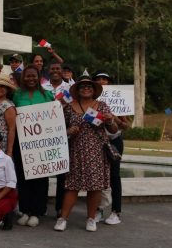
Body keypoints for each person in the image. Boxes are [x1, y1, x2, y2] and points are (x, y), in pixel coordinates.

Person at [55, 74, 118, 232]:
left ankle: (91, 219)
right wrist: (69, 130)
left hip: (97, 151)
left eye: (89, 87)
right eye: (82, 87)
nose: (86, 89)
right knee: (71, 186)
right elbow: (58, 129)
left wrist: (110, 121)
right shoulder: (69, 107)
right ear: (77, 90)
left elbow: (114, 130)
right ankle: (63, 218)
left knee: (95, 187)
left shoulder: (102, 106)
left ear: (94, 90)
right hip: (76, 150)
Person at [12, 65, 55, 227]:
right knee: (23, 177)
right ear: (23, 78)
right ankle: (25, 210)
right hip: (22, 143)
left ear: (39, 77)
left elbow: (55, 116)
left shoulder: (47, 95)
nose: (31, 79)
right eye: (28, 76)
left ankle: (37, 212)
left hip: (42, 144)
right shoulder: (17, 95)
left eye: (34, 76)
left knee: (40, 178)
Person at [93, 70, 130, 225]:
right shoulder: (91, 100)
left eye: (105, 79)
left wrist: (113, 117)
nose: (102, 81)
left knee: (114, 176)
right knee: (97, 176)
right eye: (99, 79)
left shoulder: (117, 100)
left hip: (114, 141)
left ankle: (116, 211)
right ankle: (98, 209)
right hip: (96, 141)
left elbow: (127, 125)